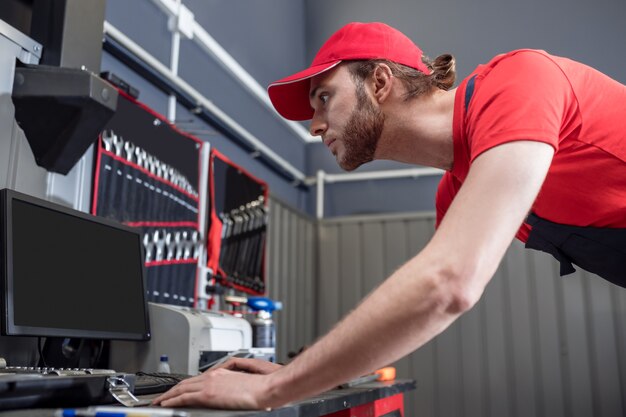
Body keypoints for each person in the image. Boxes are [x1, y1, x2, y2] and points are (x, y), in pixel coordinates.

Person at [154, 21, 626, 409]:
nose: (314, 125)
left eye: (323, 98)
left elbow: (448, 284)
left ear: (379, 82)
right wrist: (304, 374)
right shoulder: (459, 185)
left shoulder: (518, 82)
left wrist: (271, 389)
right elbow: (421, 309)